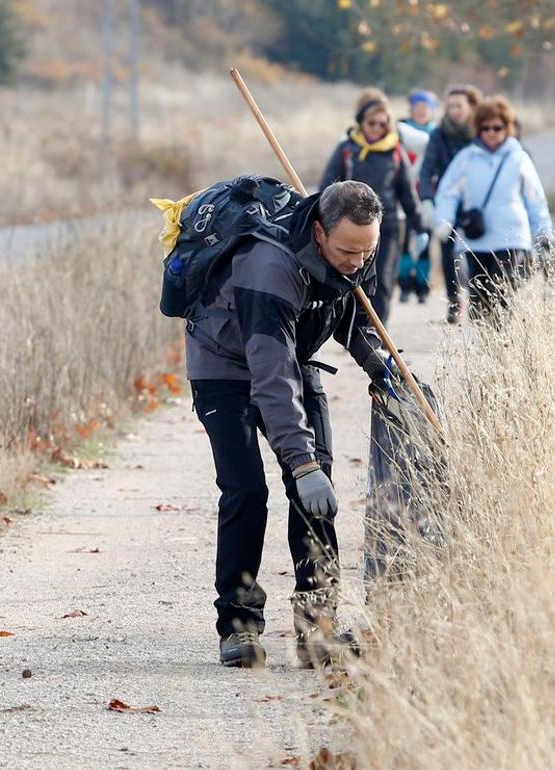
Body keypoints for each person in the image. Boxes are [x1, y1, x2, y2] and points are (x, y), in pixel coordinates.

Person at [187, 180, 398, 669]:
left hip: (292, 354)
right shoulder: (270, 266)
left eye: (366, 251)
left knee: (316, 498)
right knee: (246, 490)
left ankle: (317, 630)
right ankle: (238, 628)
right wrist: (300, 464)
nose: (357, 261)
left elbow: (351, 314)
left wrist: (381, 365)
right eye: (347, 250)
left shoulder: (357, 247)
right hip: (225, 365)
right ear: (320, 232)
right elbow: (271, 376)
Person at [433, 96, 553, 323]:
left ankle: (502, 344)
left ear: (506, 127)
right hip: (476, 237)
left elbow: (535, 198)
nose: (491, 132)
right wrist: (444, 221)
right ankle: (489, 341)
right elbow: (448, 192)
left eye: (497, 127)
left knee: (502, 291)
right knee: (478, 299)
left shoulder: (518, 158)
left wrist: (543, 230)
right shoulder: (466, 158)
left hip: (511, 237)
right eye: (485, 127)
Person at [319, 89, 425, 323]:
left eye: (382, 124)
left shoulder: (395, 151)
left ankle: (378, 332)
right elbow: (327, 186)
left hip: (386, 228)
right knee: (352, 278)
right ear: (361, 122)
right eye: (372, 123)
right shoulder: (347, 148)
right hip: (349, 226)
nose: (377, 128)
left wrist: (419, 225)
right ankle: (351, 329)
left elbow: (407, 193)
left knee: (383, 281)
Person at [418, 84, 482, 324]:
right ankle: (454, 299)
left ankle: (478, 298)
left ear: (471, 108)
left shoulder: (480, 131)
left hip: (475, 201)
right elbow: (427, 169)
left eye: (459, 106)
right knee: (447, 252)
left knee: (477, 251)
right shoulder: (439, 133)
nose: (454, 110)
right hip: (446, 201)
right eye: (450, 105)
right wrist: (426, 199)